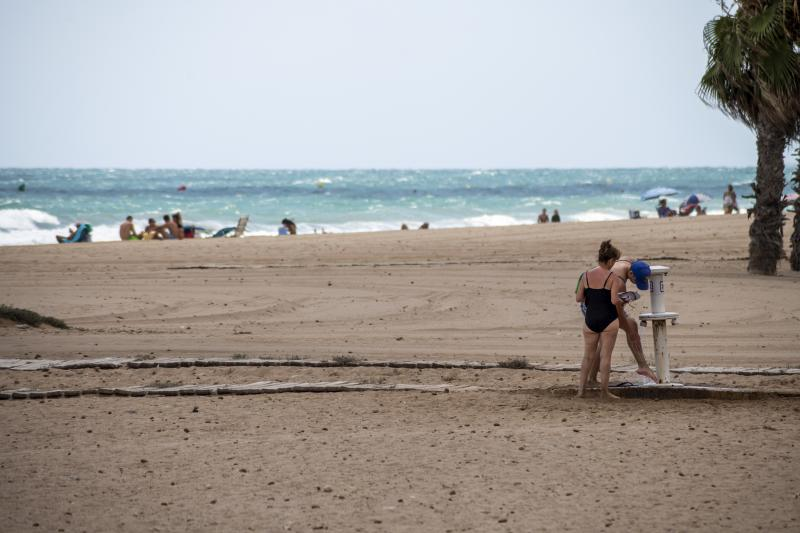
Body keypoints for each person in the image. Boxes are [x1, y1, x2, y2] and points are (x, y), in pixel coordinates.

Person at [586, 257, 658, 384]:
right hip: (592, 303)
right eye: (636, 280)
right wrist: (629, 331)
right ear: (631, 273)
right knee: (609, 336)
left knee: (630, 326)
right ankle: (592, 378)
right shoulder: (619, 284)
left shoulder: (628, 262)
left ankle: (643, 366)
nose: (636, 283)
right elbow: (618, 314)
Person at [575, 240, 625, 400]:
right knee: (605, 356)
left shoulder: (585, 276)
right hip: (609, 319)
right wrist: (624, 299)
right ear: (610, 260)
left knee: (587, 357)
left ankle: (581, 391)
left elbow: (579, 298)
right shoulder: (613, 277)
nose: (614, 265)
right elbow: (614, 300)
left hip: (590, 320)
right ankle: (604, 392)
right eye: (614, 261)